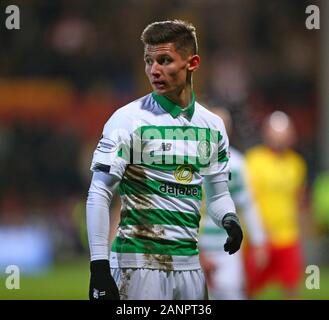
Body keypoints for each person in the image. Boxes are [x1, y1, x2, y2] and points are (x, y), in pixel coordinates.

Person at [86, 19, 243, 300]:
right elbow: (99, 192)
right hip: (138, 264)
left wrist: (230, 219)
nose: (153, 70)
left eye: (164, 60)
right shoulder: (127, 120)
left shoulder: (213, 126)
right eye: (149, 61)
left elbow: (218, 196)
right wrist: (98, 264)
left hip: (191, 267)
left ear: (192, 63)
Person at [199, 107, 267, 300]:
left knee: (232, 295)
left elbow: (247, 204)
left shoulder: (236, 164)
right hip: (195, 248)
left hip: (227, 249)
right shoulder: (190, 162)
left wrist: (258, 241)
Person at [244, 110, 307, 299]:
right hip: (260, 239)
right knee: (250, 289)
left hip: (288, 237)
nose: (279, 137)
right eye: (275, 131)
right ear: (266, 133)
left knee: (292, 288)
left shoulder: (297, 163)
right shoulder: (254, 160)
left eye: (284, 132)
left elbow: (299, 200)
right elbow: (247, 202)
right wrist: (257, 237)